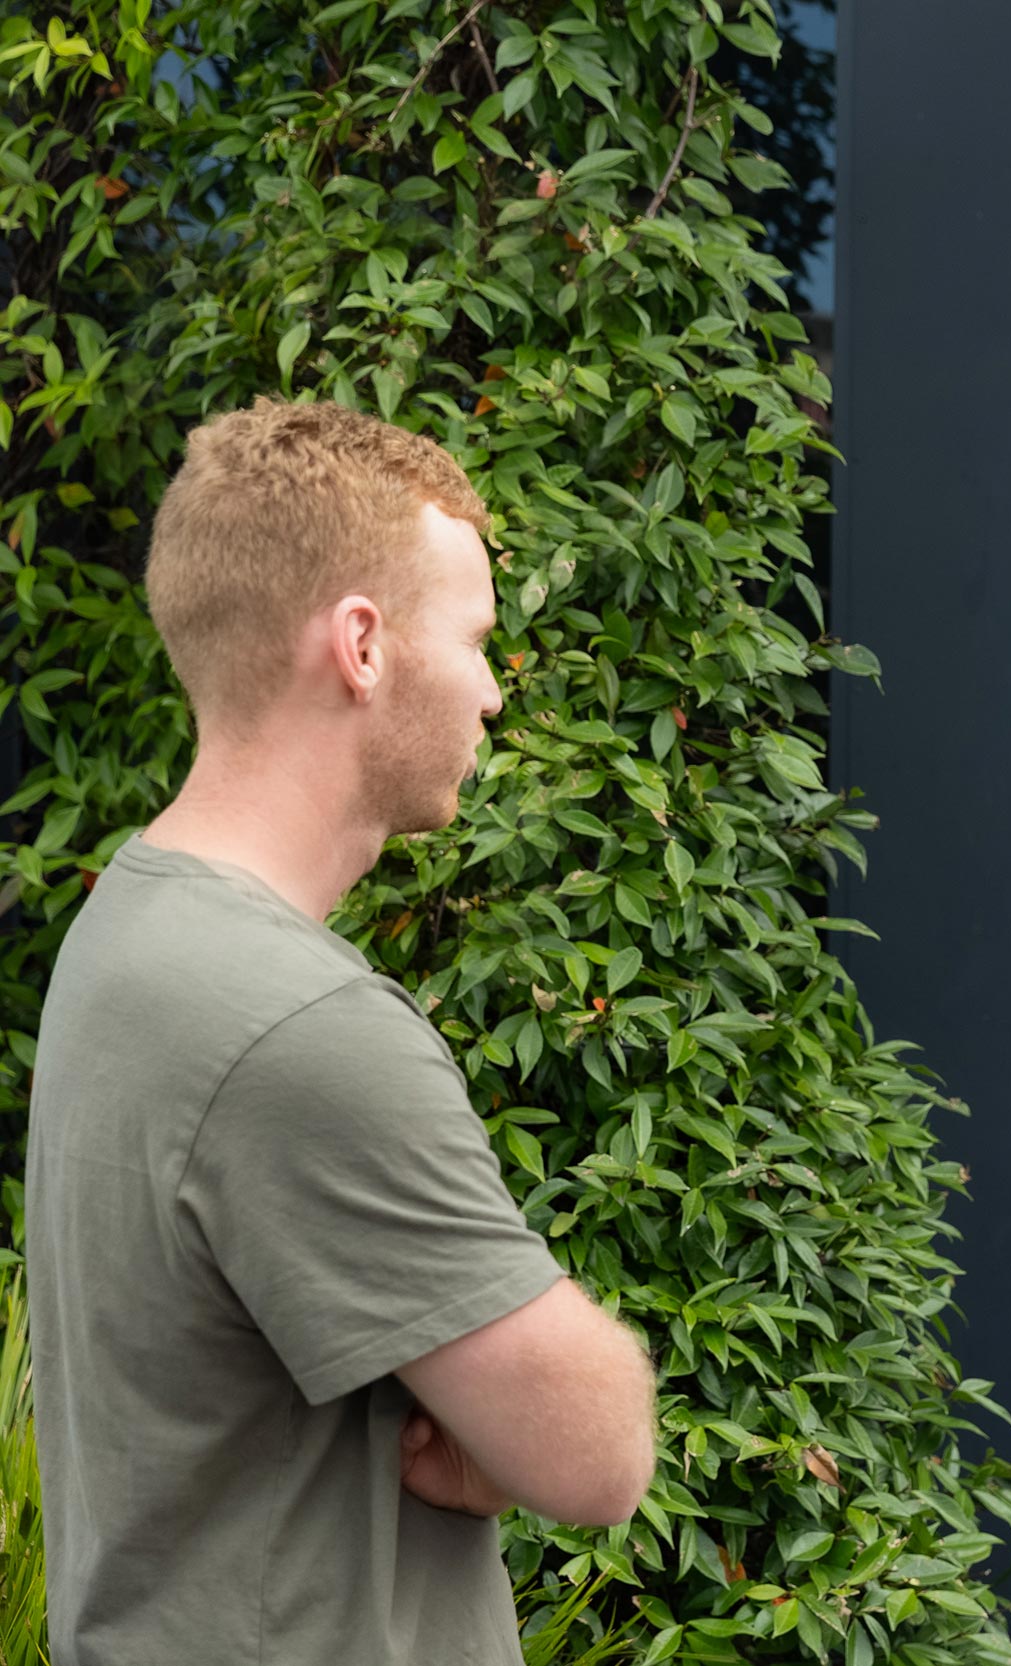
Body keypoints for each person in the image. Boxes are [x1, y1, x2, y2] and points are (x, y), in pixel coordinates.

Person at [27, 400, 657, 1666]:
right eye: (477, 640)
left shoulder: (129, 927)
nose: (491, 694)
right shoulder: (296, 1028)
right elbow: (598, 1454)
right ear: (362, 645)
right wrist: (508, 1421)